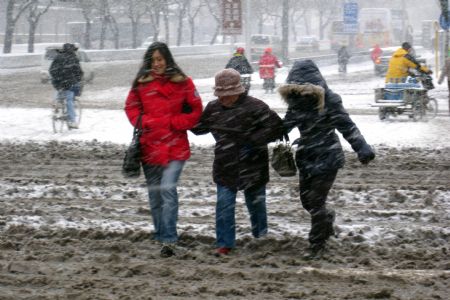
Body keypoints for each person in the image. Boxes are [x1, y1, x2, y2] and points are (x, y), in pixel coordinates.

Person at [278, 59, 375, 259]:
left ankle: (317, 245)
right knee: (306, 200)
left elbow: (347, 126)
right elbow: (284, 127)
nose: (303, 92)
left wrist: (361, 147)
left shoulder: (330, 100)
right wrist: (261, 131)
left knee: (315, 200)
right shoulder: (296, 103)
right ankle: (326, 219)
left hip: (328, 155)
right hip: (306, 155)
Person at [191, 68, 284, 256]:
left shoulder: (256, 107)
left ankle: (260, 238)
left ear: (239, 91)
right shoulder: (213, 108)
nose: (224, 98)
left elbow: (277, 128)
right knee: (224, 205)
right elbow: (199, 128)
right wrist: (187, 110)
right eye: (221, 94)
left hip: (254, 164)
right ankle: (225, 244)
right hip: (225, 165)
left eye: (228, 94)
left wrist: (252, 140)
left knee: (256, 205)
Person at [124, 42, 203, 258]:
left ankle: (169, 239)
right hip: (149, 147)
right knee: (155, 195)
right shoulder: (141, 84)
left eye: (160, 59)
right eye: (153, 60)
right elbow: (131, 107)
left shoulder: (184, 83)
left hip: (175, 147)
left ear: (167, 59)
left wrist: (175, 122)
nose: (157, 63)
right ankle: (160, 234)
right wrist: (145, 121)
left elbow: (196, 110)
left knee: (168, 189)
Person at [49, 43, 83, 129]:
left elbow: (51, 70)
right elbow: (79, 72)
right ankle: (72, 120)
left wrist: (56, 79)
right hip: (69, 82)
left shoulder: (58, 57)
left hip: (58, 82)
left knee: (59, 95)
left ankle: (56, 108)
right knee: (69, 99)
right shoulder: (73, 57)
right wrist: (78, 79)